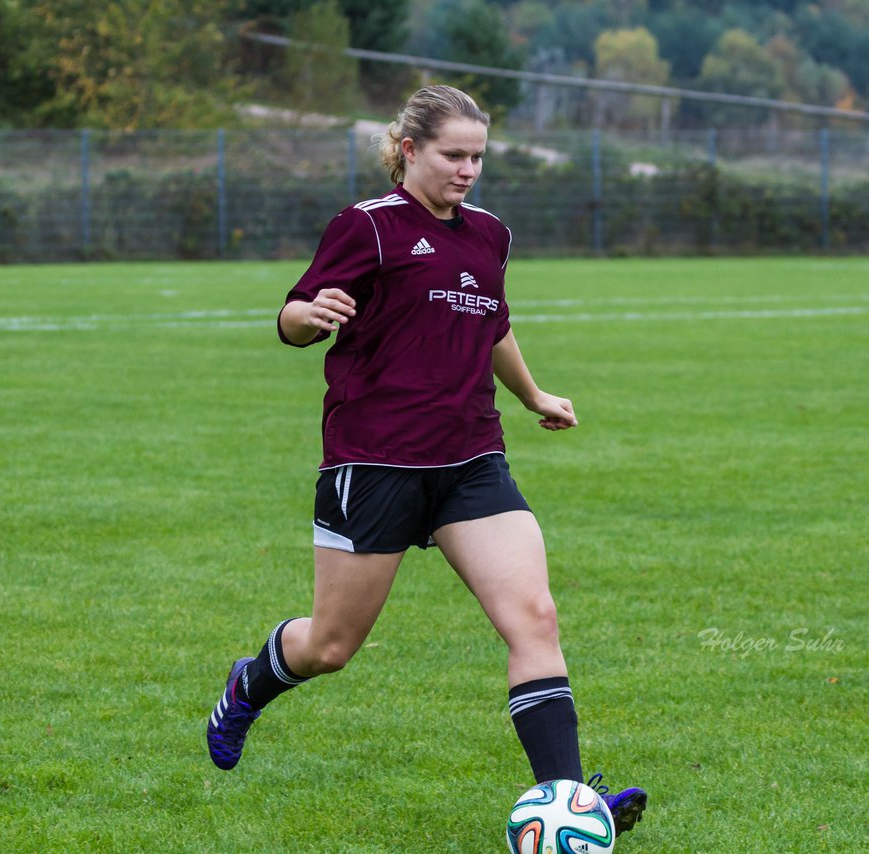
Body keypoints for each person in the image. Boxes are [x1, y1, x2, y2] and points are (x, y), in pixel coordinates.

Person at [206, 84, 647, 837]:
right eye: (453, 155)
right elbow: (294, 314)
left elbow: (491, 324)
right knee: (331, 646)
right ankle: (249, 684)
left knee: (534, 618)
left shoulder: (489, 234)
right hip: (373, 464)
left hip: (471, 459)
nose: (468, 169)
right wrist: (308, 318)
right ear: (409, 150)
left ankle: (568, 802)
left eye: (478, 156)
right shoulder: (368, 228)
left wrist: (535, 395)